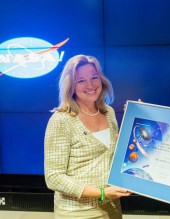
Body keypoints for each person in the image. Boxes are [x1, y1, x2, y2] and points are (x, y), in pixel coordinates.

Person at [44, 54, 131, 219]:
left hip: (112, 208)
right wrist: (101, 193)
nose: (90, 85)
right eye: (81, 80)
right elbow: (53, 177)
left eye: (94, 77)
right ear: (71, 86)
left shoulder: (109, 112)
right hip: (77, 213)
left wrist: (135, 120)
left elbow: (109, 158)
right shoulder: (61, 119)